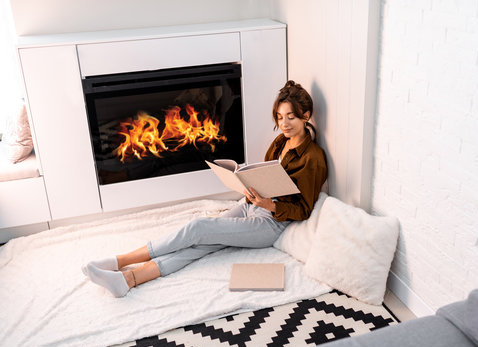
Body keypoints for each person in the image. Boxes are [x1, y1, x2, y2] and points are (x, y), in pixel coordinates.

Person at [82, 80, 328, 297]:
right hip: (250, 206)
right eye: (280, 117)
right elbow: (269, 176)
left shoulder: (312, 158)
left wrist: (269, 204)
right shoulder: (280, 142)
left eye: (291, 117)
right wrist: (248, 185)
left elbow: (304, 209)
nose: (283, 124)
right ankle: (128, 280)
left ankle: (120, 261)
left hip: (271, 223)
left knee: (198, 227)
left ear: (306, 115)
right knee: (198, 245)